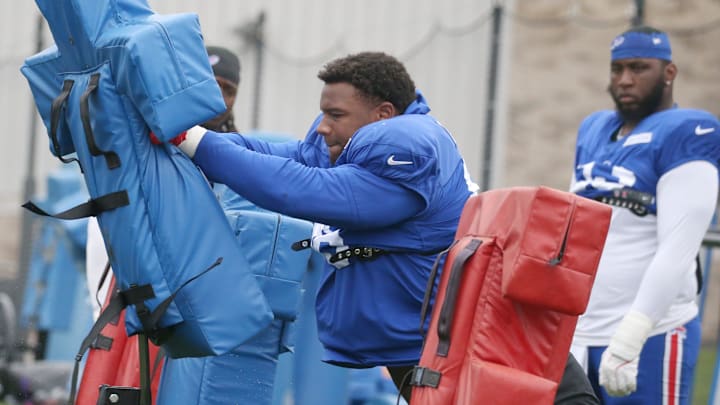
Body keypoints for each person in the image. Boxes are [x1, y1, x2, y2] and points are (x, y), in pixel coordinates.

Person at [169, 51, 598, 403]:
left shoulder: (409, 144)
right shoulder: (357, 138)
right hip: (431, 344)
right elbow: (284, 157)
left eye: (336, 114)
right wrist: (186, 135)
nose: (323, 127)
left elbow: (298, 190)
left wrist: (194, 142)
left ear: (383, 114)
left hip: (492, 343)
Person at [569, 26, 720, 404]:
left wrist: (632, 334)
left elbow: (678, 248)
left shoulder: (688, 131)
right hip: (583, 333)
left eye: (638, 68)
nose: (625, 80)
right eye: (617, 69)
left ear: (669, 72)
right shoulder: (594, 129)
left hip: (649, 334)